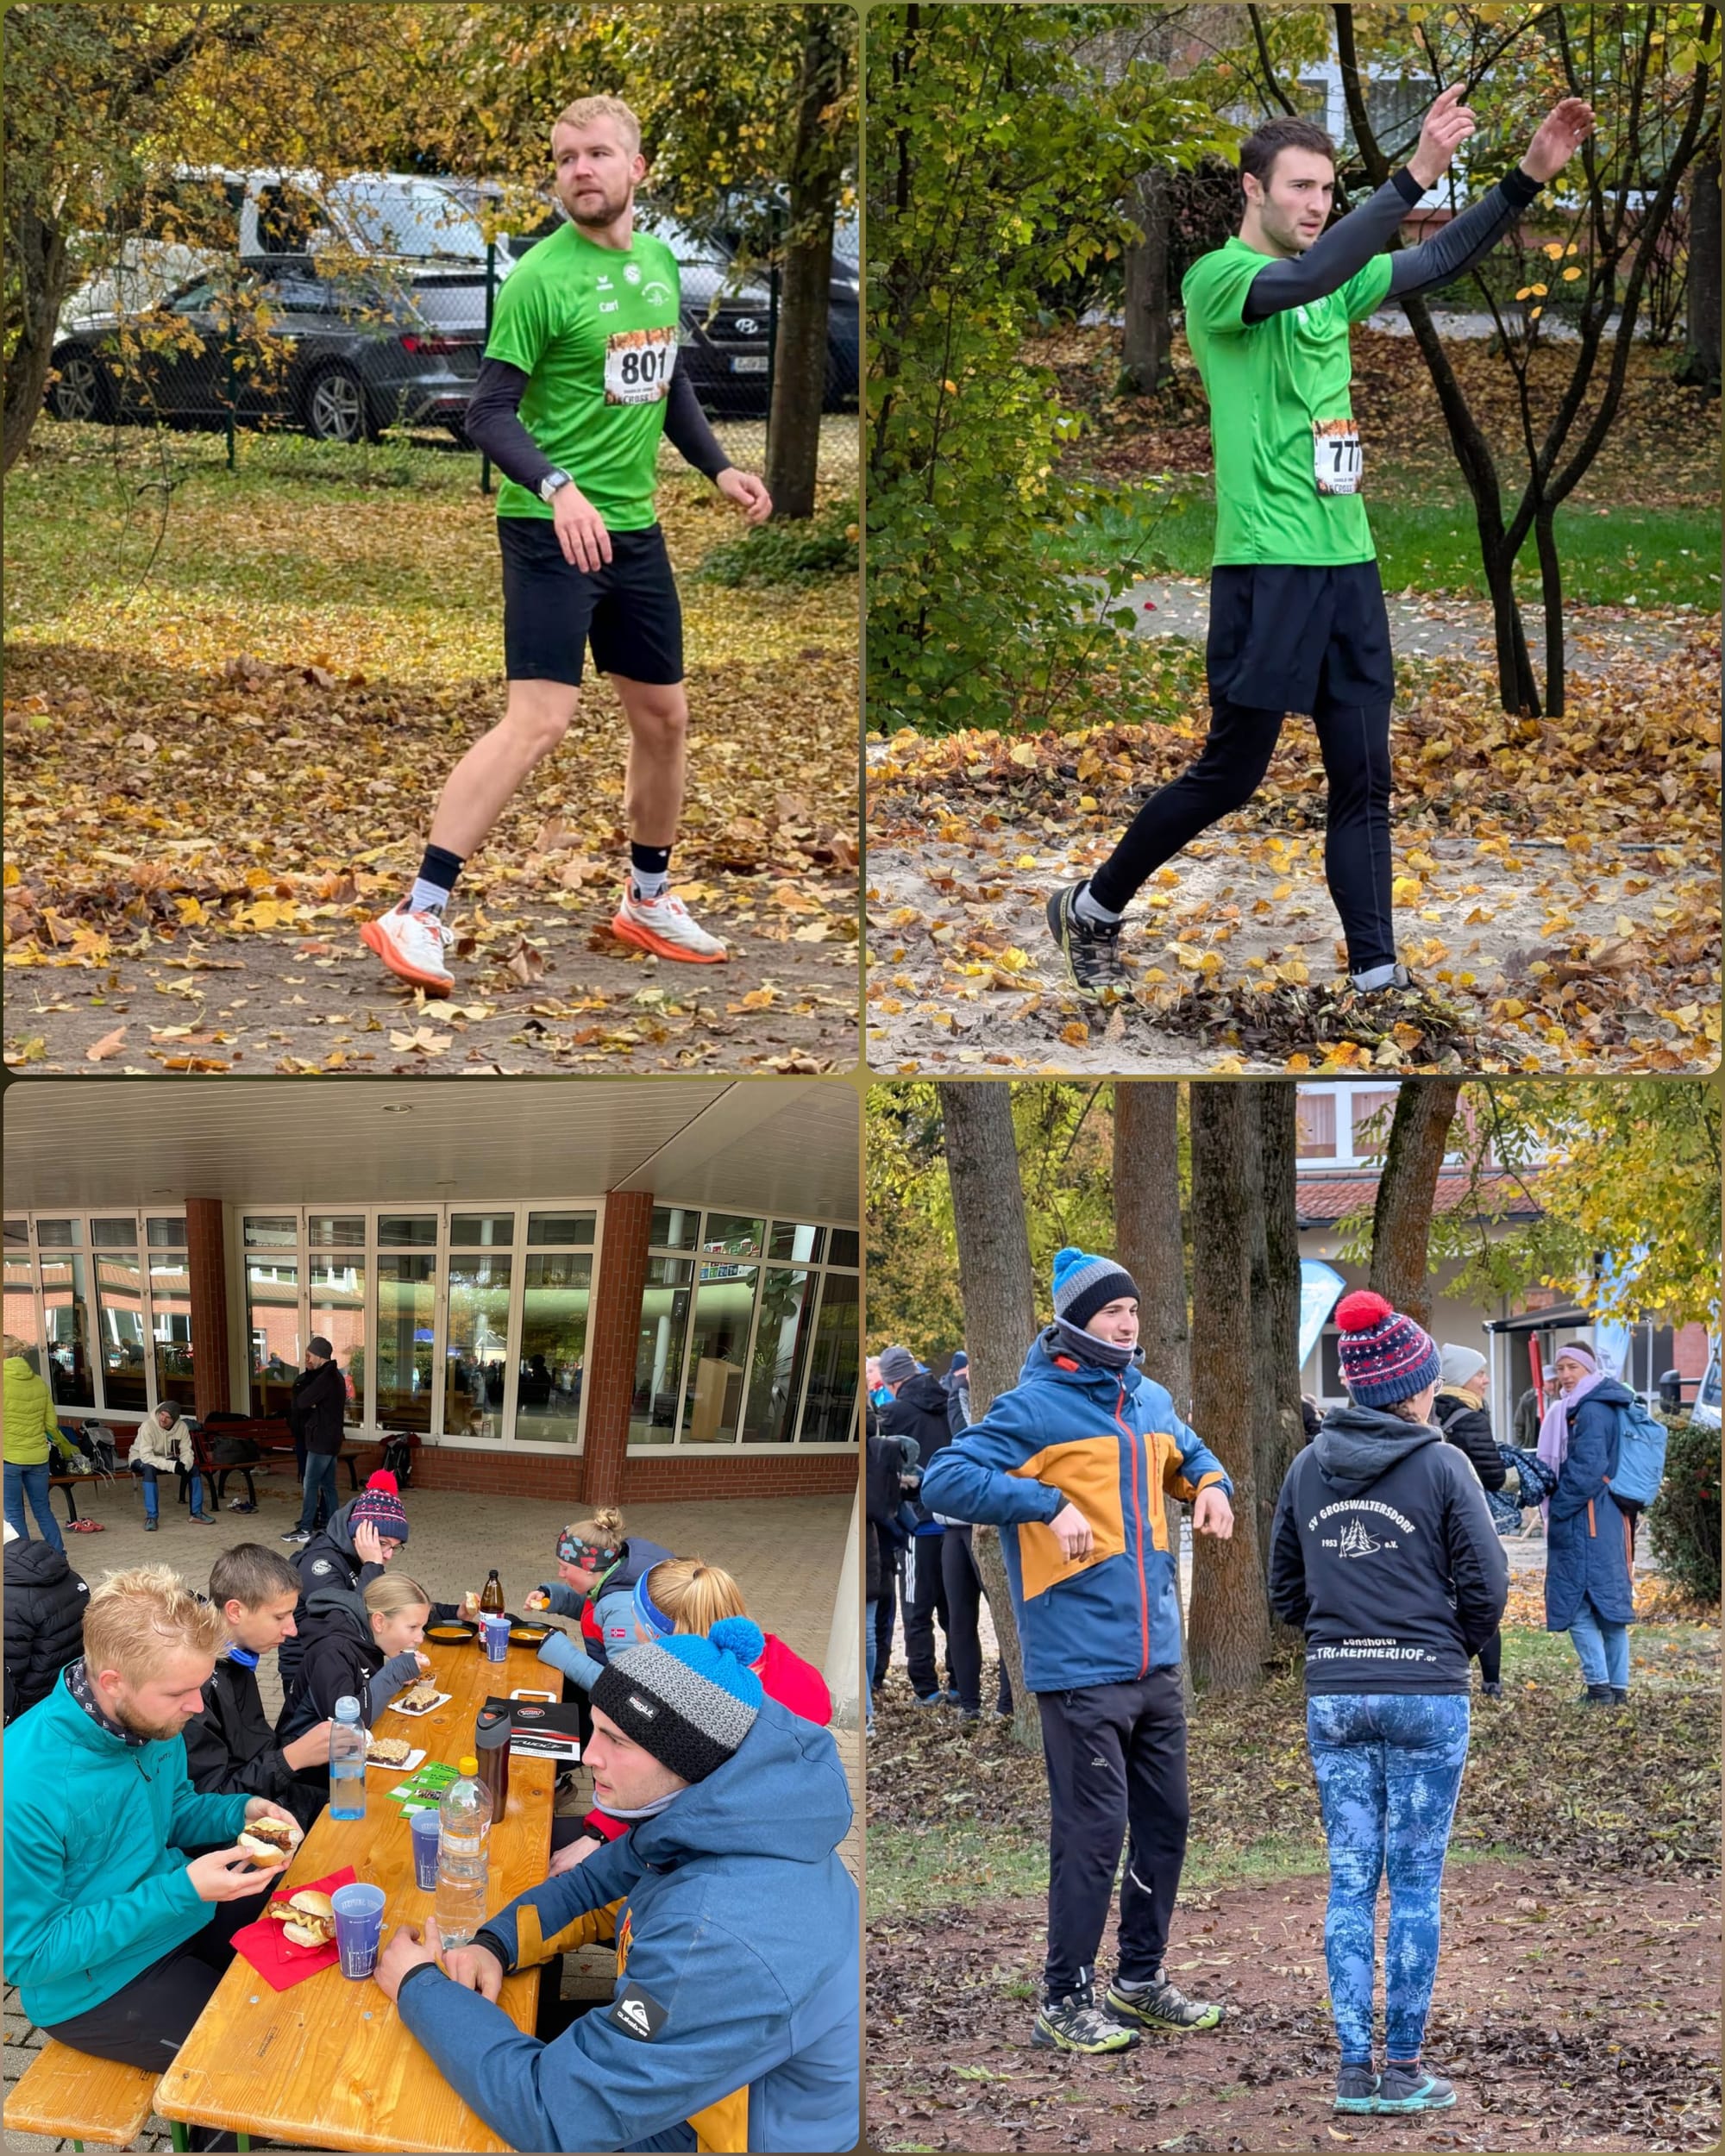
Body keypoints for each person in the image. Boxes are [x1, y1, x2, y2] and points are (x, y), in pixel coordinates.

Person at [1044, 90, 1596, 997]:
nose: (1314, 206)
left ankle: (1377, 979)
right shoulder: (1219, 280)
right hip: (1266, 565)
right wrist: (1413, 171)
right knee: (1232, 771)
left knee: (1364, 779)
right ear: (1251, 189)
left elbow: (1435, 257)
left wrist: (1523, 182)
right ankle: (1093, 906)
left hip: (1347, 564)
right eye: (1299, 187)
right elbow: (1301, 279)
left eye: (1326, 191)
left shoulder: (1333, 275)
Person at [361, 95, 772, 996]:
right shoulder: (541, 279)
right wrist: (558, 488)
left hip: (633, 531)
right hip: (549, 531)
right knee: (540, 719)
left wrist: (716, 470)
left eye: (595, 154)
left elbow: (664, 383)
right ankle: (418, 909)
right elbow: (485, 412)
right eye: (562, 159)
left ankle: (646, 899)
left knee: (664, 718)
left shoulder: (660, 263)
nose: (577, 170)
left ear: (636, 170)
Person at [374, 1618, 859, 2153]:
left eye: (617, 1739)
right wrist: (495, 1944)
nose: (588, 1757)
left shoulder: (715, 1936)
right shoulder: (718, 1811)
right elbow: (593, 1887)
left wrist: (419, 1988)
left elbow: (554, 2117)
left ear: (687, 1759)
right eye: (596, 1728)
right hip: (701, 2085)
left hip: (720, 2135)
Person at [922, 1246, 1236, 2053]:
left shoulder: (1151, 1400)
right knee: (1094, 1834)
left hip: (1155, 1661)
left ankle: (1139, 1980)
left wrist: (1210, 1488)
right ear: (1076, 1322)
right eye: (1113, 1313)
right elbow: (944, 1480)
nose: (1129, 1325)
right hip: (1077, 1666)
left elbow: (1191, 1456)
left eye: (1134, 1313)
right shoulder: (1035, 1408)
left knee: (1165, 1824)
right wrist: (1041, 1500)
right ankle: (1064, 1997)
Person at [1269, 1290, 1508, 2117]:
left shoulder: (1307, 1468)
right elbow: (1489, 1582)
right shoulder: (1443, 1464)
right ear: (1411, 1387)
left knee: (1346, 1884)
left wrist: (1341, 1640)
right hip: (1424, 1693)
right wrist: (1451, 1648)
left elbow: (1284, 1590)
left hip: (1336, 1694)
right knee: (1412, 1886)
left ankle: (1350, 2070)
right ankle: (1402, 2072)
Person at [2, 1565, 298, 2132]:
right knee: (250, 2051)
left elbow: (174, 1810)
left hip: (176, 1910)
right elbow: (29, 1956)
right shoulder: (25, 1785)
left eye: (201, 1685)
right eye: (180, 1693)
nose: (196, 1707)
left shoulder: (150, 1714)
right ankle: (223, 2131)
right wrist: (180, 1890)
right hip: (96, 1984)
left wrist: (241, 1811)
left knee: (299, 1917)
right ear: (112, 1681)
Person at [183, 1543, 331, 1829]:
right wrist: (292, 1757)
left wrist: (311, 1748)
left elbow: (254, 1747)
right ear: (235, 1611)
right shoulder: (193, 1686)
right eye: (279, 1617)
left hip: (266, 1795)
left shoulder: (236, 1655)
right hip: (232, 1825)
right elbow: (209, 1805)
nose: (292, 1629)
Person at [1540, 1342, 1638, 1705]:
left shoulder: (1591, 1409)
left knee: (1579, 1605)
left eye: (1572, 1368)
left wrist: (1559, 1507)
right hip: (1606, 1517)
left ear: (1588, 1370)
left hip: (1587, 1519)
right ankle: (1618, 1690)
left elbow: (1586, 1469)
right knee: (1611, 1609)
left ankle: (1599, 1689)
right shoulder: (1602, 1402)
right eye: (1560, 1368)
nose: (1565, 1375)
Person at [274, 1472, 412, 1695]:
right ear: (359, 1534)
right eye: (382, 1543)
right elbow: (347, 1623)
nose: (387, 1555)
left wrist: (455, 1612)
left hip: (348, 1664)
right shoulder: (319, 1564)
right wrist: (372, 1565)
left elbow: (392, 1605)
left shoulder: (363, 1559)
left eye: (394, 1547)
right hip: (309, 1675)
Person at [876, 1344, 957, 1709]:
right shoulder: (948, 1402)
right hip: (954, 1524)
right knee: (954, 1611)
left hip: (919, 1526)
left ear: (893, 1383)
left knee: (916, 1612)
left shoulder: (893, 1414)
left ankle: (926, 1689)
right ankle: (959, 1684)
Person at [279, 1569, 433, 1740]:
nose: (420, 1638)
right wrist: (395, 1672)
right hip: (307, 1762)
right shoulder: (333, 1651)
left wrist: (398, 1679)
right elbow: (348, 1725)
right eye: (412, 1627)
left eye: (422, 1628)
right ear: (379, 1621)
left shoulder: (365, 1636)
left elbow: (361, 1686)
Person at [1433, 1345, 1508, 1698]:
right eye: (1480, 1373)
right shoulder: (1470, 1415)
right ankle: (1490, 1681)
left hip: (1430, 1520)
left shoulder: (1429, 1410)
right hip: (1467, 1519)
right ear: (1463, 1378)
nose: (1486, 1380)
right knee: (1480, 1591)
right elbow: (1491, 1476)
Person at [529, 1507, 674, 1664]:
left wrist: (563, 1654)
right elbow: (595, 1610)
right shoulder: (612, 1582)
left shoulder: (622, 1610)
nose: (561, 1574)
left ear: (590, 1567)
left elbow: (621, 1684)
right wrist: (552, 1596)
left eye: (565, 1567)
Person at [3, 1516, 90, 1725]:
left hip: (30, 1714)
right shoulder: (65, 1572)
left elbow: (9, 1680)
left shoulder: (9, 1597)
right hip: (73, 1693)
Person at [3, 1333, 81, 1552]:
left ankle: (26, 1560)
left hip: (8, 1458)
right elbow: (51, 1424)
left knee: (13, 1513)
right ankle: (60, 1555)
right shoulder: (39, 1382)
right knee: (42, 1509)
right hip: (38, 1457)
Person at [283, 1336, 348, 1545]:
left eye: (309, 1356)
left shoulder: (326, 1377)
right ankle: (334, 1526)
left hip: (321, 1439)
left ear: (320, 1356)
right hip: (332, 1439)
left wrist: (313, 1405)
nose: (307, 1360)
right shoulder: (335, 1375)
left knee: (310, 1484)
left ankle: (305, 1528)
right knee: (328, 1485)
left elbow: (302, 1401)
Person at [129, 1401, 213, 1530]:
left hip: (165, 1458)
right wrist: (173, 1466)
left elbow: (187, 1451)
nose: (162, 1419)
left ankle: (197, 1513)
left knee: (194, 1468)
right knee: (149, 1469)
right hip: (139, 1458)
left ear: (174, 1419)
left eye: (167, 1417)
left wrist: (185, 1465)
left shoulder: (182, 1427)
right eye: (161, 1414)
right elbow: (146, 1456)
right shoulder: (147, 1426)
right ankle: (151, 1517)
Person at [1514, 1364, 1554, 1451]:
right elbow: (1519, 1424)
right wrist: (1521, 1446)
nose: (1553, 1386)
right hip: (1535, 1439)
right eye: (1549, 1382)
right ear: (1543, 1382)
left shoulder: (1561, 1397)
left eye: (1555, 1381)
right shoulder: (1529, 1398)